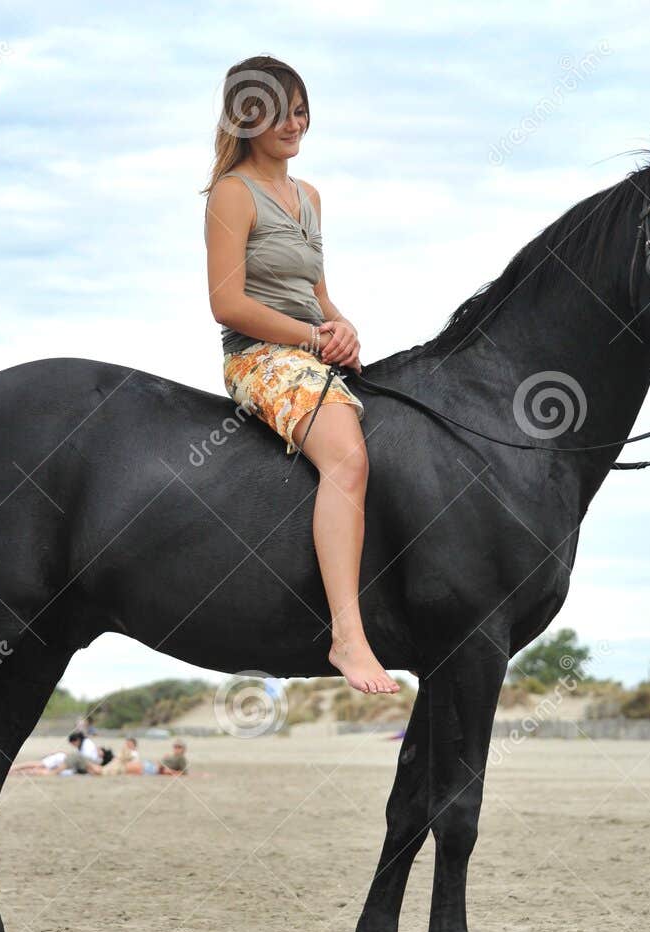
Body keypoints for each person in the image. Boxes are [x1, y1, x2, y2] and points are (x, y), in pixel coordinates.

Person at [204, 55, 399, 697]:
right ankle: (347, 634)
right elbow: (228, 303)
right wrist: (313, 336)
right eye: (277, 110)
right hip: (259, 356)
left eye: (300, 108)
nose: (294, 122)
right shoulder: (234, 193)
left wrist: (342, 328)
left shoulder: (309, 196)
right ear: (245, 118)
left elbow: (316, 293)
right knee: (346, 459)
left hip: (310, 347)